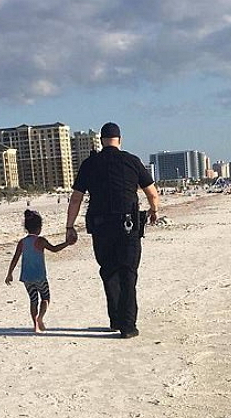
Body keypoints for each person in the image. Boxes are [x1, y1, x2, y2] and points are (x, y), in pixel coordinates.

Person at [65, 122, 159, 339]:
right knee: (128, 273)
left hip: (101, 227)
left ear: (101, 141)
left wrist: (70, 226)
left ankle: (115, 319)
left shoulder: (90, 164)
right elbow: (152, 193)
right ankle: (128, 326)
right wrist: (154, 211)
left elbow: (76, 198)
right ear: (120, 140)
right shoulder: (132, 160)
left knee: (109, 271)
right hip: (128, 225)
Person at [5, 210, 69, 333]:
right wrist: (67, 243)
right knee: (45, 298)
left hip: (26, 277)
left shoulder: (22, 242)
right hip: (39, 276)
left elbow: (15, 258)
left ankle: (35, 326)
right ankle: (40, 317)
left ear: (26, 228)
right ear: (39, 228)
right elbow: (54, 249)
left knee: (33, 300)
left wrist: (9, 273)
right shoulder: (41, 240)